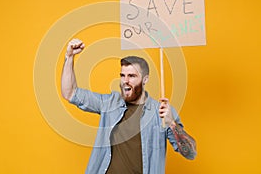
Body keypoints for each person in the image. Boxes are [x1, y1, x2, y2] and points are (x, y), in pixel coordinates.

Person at [61, 39, 196, 174]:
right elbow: (70, 93)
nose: (125, 81)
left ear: (145, 79)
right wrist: (69, 57)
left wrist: (172, 124)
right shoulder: (109, 103)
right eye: (122, 75)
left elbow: (190, 153)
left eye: (131, 76)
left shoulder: (160, 112)